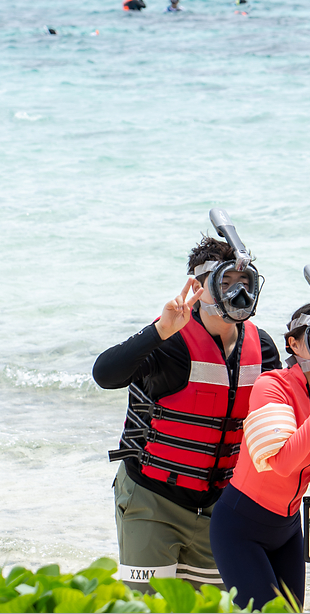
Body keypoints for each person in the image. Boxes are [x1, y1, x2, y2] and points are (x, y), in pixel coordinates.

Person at [93, 211, 281, 592]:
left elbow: (285, 426)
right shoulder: (171, 342)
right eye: (224, 282)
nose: (237, 293)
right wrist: (160, 330)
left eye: (244, 282)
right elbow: (104, 375)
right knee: (151, 606)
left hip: (219, 508)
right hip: (152, 499)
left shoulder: (262, 348)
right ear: (198, 286)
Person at [210, 288, 310, 611]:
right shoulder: (273, 386)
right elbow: (282, 463)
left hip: (287, 529)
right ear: (293, 344)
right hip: (240, 528)